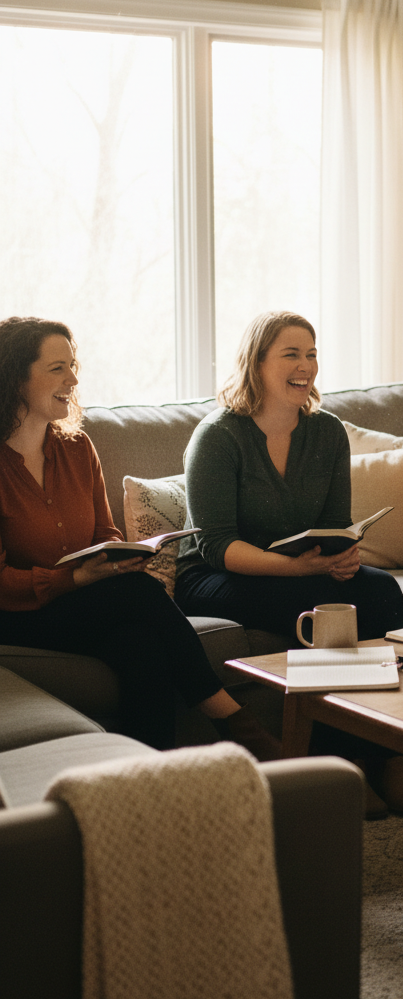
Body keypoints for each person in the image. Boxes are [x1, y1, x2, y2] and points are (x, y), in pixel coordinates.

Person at [0, 316, 279, 758]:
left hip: (83, 604)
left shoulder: (77, 449)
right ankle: (233, 719)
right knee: (136, 595)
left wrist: (120, 556)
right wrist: (75, 580)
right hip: (16, 614)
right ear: (15, 375)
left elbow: (104, 532)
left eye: (73, 366)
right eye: (57, 368)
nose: (73, 378)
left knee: (142, 648)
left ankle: (148, 780)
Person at [174, 311, 403, 815]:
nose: (306, 366)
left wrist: (343, 558)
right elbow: (216, 545)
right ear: (257, 363)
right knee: (320, 603)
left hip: (304, 571)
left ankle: (392, 756)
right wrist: (305, 572)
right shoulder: (218, 436)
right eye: (291, 354)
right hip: (215, 576)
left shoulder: (326, 433)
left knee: (380, 591)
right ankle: (341, 763)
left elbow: (335, 523)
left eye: (312, 353)